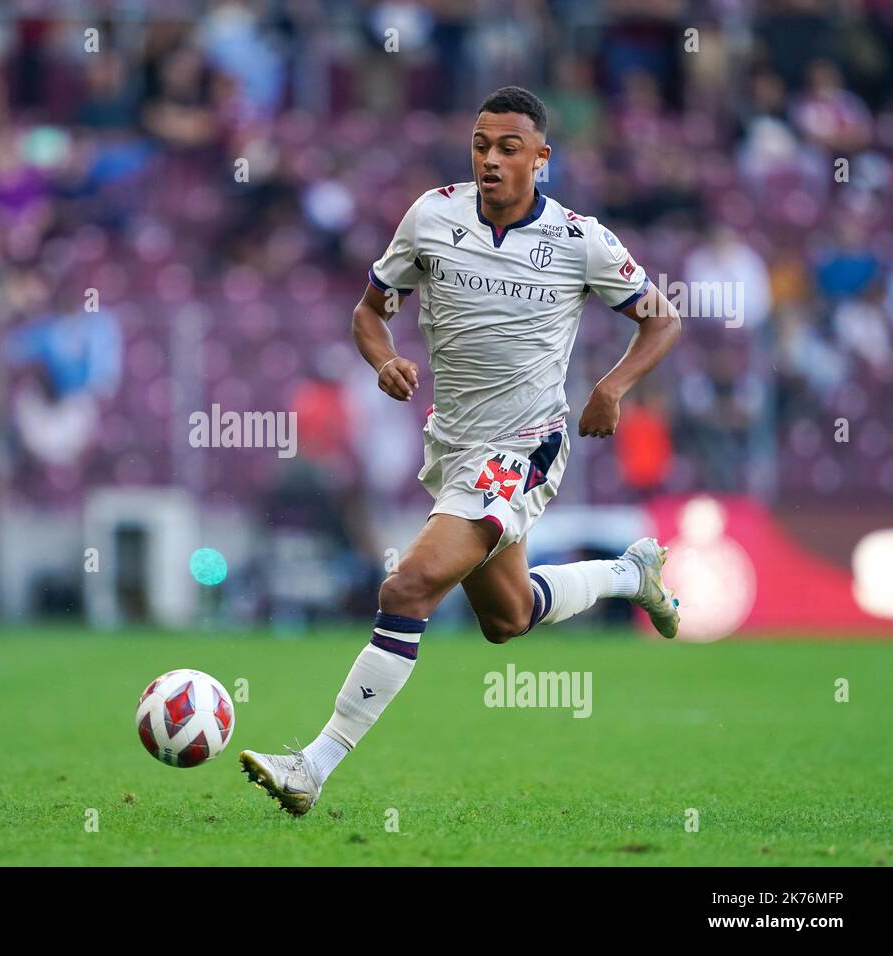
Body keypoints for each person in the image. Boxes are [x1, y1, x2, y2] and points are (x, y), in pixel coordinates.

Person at [239, 88, 683, 816]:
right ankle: (629, 574)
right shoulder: (432, 216)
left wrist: (612, 387)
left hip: (526, 445)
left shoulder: (581, 240)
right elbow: (368, 312)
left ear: (542, 158)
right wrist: (382, 359)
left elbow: (660, 320)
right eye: (481, 144)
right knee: (506, 619)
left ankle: (312, 766)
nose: (491, 159)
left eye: (509, 147)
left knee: (406, 587)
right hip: (453, 446)